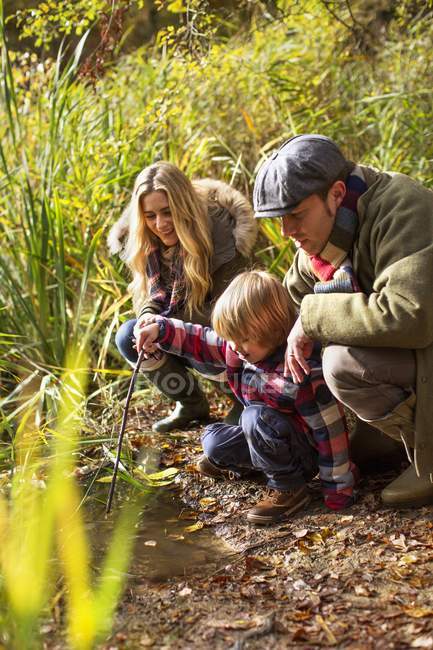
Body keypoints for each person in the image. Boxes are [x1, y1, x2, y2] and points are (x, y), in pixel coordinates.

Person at [253, 133, 433, 508]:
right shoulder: (328, 237)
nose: (286, 231)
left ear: (335, 193)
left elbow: (409, 316)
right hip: (415, 352)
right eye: (279, 219)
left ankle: (428, 449)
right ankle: (390, 434)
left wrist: (311, 317)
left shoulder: (403, 208)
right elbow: (296, 297)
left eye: (296, 215)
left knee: (340, 362)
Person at [134, 270, 358, 524]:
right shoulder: (237, 348)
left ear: (272, 330)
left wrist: (338, 488)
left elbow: (330, 432)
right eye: (231, 339)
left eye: (243, 339)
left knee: (254, 416)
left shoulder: (301, 371)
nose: (236, 347)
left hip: (303, 452)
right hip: (265, 436)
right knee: (213, 441)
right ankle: (263, 465)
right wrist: (159, 330)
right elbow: (198, 338)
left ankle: (289, 487)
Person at [108, 161, 257, 432]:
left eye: (168, 212)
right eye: (150, 216)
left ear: (184, 206)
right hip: (180, 327)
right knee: (128, 335)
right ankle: (191, 403)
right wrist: (148, 318)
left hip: (224, 339)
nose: (160, 224)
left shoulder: (220, 235)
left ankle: (240, 398)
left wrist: (166, 326)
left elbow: (232, 315)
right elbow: (155, 297)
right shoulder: (148, 242)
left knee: (199, 332)